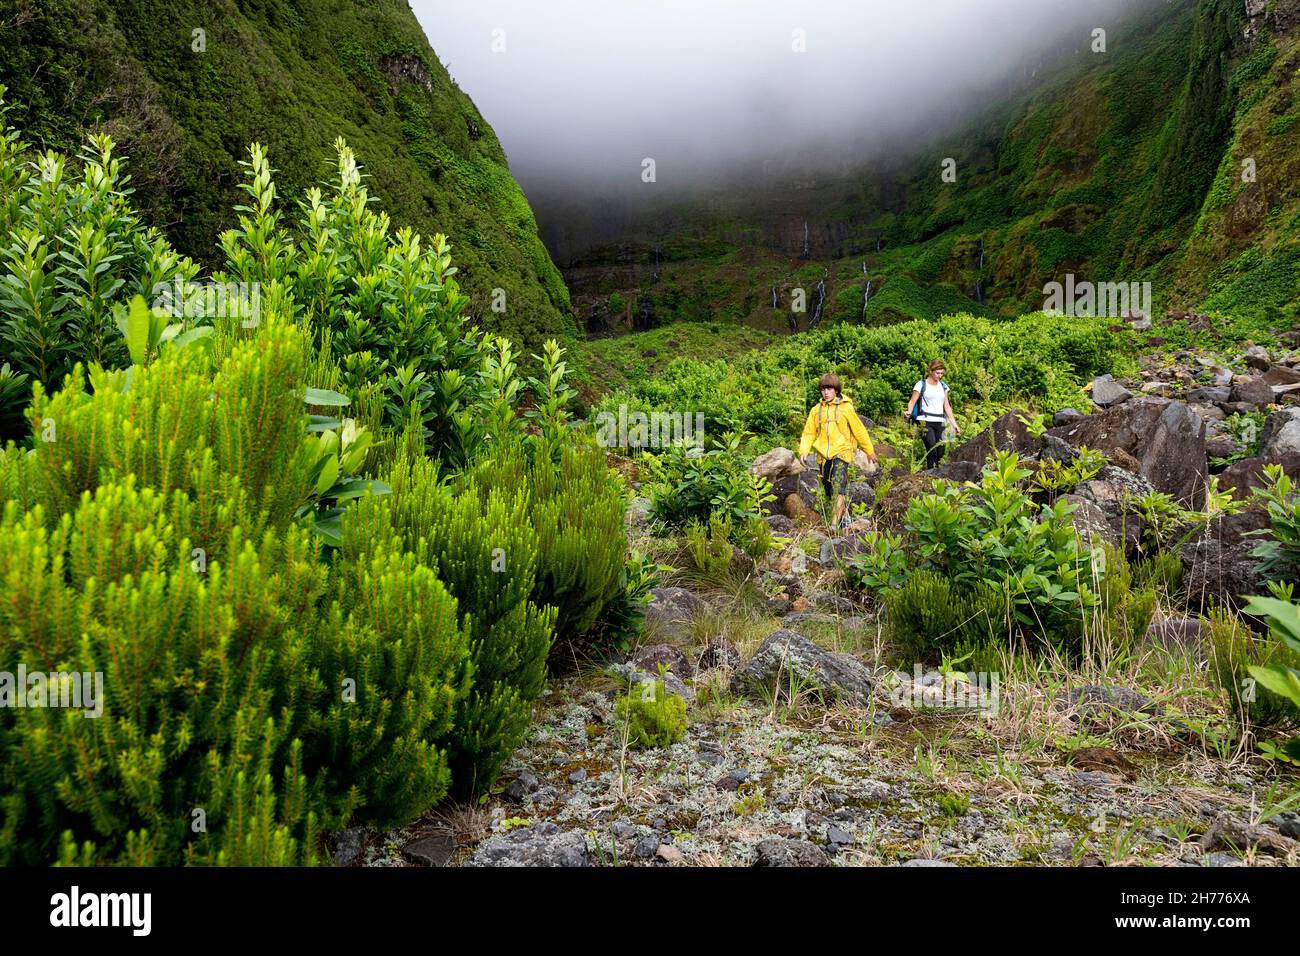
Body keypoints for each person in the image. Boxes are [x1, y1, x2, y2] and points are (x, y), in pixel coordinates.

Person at [798, 373, 878, 531]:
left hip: (842, 453)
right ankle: (845, 517)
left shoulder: (846, 408)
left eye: (829, 389)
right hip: (823, 456)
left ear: (836, 390)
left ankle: (833, 526)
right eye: (823, 389)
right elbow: (809, 432)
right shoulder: (816, 410)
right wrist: (804, 450)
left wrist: (869, 451)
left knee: (838, 487)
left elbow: (859, 430)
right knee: (829, 490)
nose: (825, 392)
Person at [906, 360, 961, 469]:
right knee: (932, 450)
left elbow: (947, 407)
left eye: (941, 373)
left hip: (940, 421)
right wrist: (909, 411)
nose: (939, 376)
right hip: (924, 421)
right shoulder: (921, 384)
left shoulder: (943, 386)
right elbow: (912, 401)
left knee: (940, 452)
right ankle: (931, 476)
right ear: (930, 371)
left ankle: (937, 475)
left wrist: (955, 425)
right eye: (937, 373)